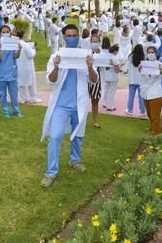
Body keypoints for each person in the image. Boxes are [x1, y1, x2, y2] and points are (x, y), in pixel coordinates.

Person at [40, 24, 98, 188]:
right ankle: (51, 172)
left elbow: (94, 79)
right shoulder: (56, 56)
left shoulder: (85, 55)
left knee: (78, 135)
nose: (72, 38)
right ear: (64, 37)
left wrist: (90, 66)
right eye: (69, 35)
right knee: (55, 136)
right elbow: (50, 80)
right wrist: (57, 66)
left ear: (79, 37)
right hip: (61, 105)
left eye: (75, 35)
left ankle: (75, 160)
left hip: (79, 103)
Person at [0, 24, 22, 118]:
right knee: (2, 94)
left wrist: (19, 50)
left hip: (12, 72)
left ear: (10, 32)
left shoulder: (13, 42)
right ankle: (6, 111)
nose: (5, 33)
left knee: (14, 93)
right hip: (0, 73)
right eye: (3, 32)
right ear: (0, 33)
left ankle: (16, 111)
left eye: (7, 32)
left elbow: (16, 56)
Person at [136, 45, 162, 134]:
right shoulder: (143, 64)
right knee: (150, 115)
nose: (150, 54)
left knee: (155, 117)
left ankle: (156, 136)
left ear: (155, 53)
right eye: (149, 52)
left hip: (156, 94)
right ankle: (153, 131)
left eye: (152, 52)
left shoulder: (160, 64)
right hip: (146, 94)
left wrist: (161, 71)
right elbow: (142, 75)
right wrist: (139, 69)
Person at [16, 30, 40, 104]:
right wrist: (34, 49)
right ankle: (33, 97)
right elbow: (31, 55)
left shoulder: (16, 44)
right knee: (32, 83)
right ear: (23, 35)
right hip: (27, 66)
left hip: (18, 66)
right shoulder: (25, 45)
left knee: (21, 83)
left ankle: (23, 98)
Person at [125, 44, 146, 116]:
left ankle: (130, 110)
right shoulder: (143, 58)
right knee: (141, 96)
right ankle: (143, 111)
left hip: (132, 80)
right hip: (141, 80)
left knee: (131, 95)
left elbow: (126, 68)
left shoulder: (130, 57)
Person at [100, 43, 122, 111]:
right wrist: (120, 68)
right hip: (113, 77)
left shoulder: (106, 56)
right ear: (115, 51)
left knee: (106, 90)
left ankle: (104, 103)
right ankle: (110, 106)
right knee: (111, 92)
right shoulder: (114, 58)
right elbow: (117, 69)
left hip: (106, 76)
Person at [88, 33, 103, 128]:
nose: (94, 43)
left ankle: (95, 121)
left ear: (99, 42)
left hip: (97, 80)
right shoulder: (87, 53)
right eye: (93, 41)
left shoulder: (102, 54)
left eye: (96, 41)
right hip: (86, 78)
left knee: (95, 101)